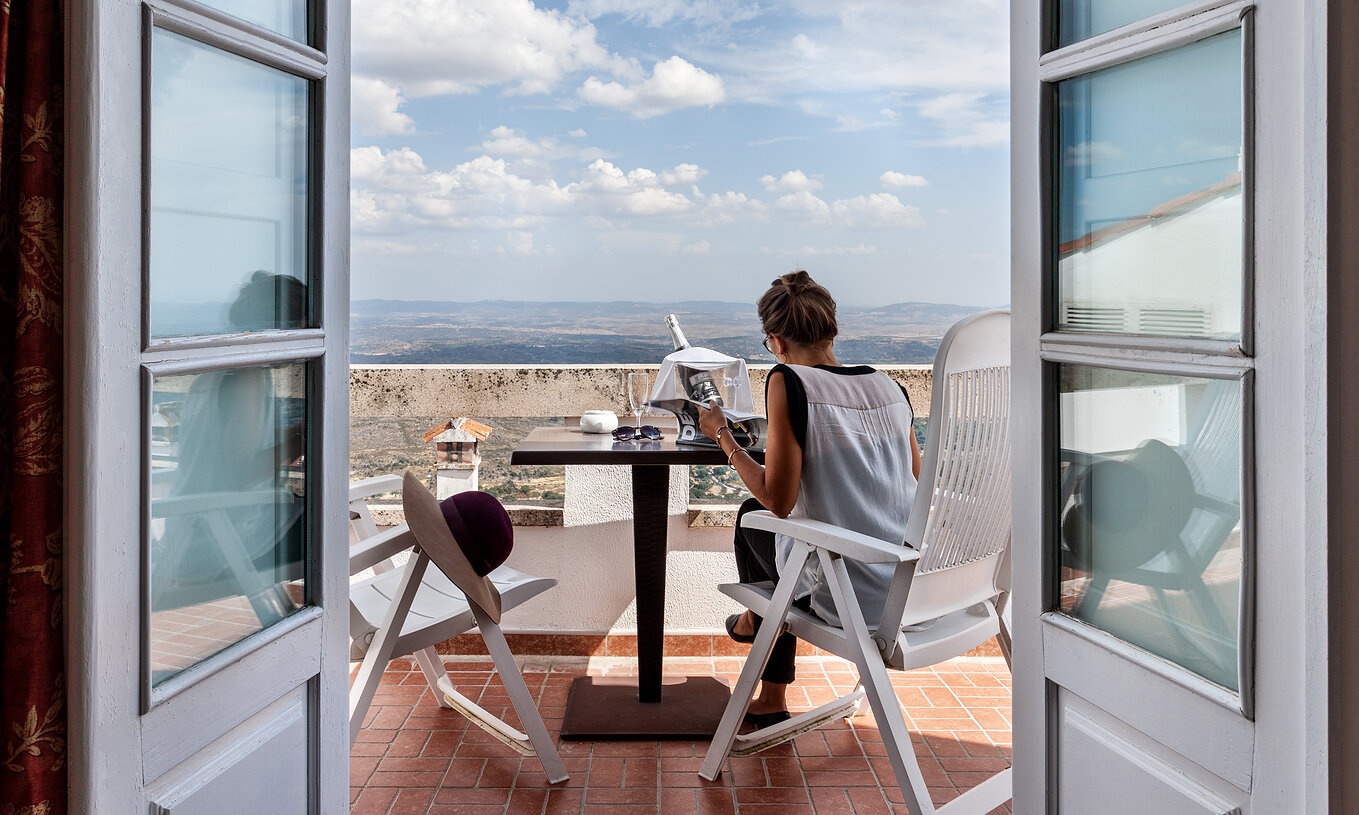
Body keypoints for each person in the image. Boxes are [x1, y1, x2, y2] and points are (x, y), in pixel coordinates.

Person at [697, 270, 922, 726]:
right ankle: (754, 627)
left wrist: (723, 435)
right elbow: (912, 479)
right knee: (768, 529)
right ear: (831, 327)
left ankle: (760, 639)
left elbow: (778, 501)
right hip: (914, 589)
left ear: (777, 342)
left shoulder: (789, 380)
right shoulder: (889, 387)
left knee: (751, 515)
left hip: (853, 596)